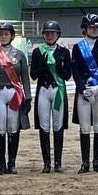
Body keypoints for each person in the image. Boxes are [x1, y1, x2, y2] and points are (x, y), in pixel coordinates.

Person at [0, 22, 31, 174]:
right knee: (0, 127)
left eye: (6, 34)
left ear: (11, 36)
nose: (3, 36)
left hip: (14, 93)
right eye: (1, 34)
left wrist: (28, 97)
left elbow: (25, 78)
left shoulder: (19, 54)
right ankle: (1, 164)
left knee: (13, 126)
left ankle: (12, 163)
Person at [30, 20, 72, 173]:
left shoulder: (64, 52)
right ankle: (47, 163)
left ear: (57, 35)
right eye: (47, 33)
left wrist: (59, 68)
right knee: (44, 125)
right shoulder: (37, 52)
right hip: (43, 90)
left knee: (58, 125)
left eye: (52, 33)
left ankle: (58, 162)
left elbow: (67, 75)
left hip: (58, 90)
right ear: (43, 35)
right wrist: (43, 66)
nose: (50, 36)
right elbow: (33, 75)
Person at [71, 13, 98, 173]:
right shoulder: (77, 47)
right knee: (85, 126)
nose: (95, 30)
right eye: (91, 27)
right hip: (84, 92)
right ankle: (85, 162)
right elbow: (75, 71)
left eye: (96, 27)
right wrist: (83, 88)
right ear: (84, 29)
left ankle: (97, 161)